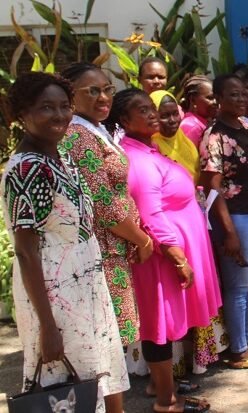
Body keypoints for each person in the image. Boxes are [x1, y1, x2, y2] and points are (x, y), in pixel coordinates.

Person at [3, 72, 130, 413]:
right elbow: (27, 252)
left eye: (64, 106)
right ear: (22, 113)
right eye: (47, 107)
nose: (59, 116)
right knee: (67, 394)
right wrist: (48, 327)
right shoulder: (28, 169)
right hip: (56, 300)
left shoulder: (61, 160)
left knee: (94, 385)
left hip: (85, 289)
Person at [106, 88, 219, 413]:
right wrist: (177, 256)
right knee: (160, 326)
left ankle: (160, 384)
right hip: (161, 258)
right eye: (142, 110)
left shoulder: (148, 148)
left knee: (165, 325)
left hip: (171, 250)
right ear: (125, 120)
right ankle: (166, 402)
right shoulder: (137, 158)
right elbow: (150, 213)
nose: (151, 113)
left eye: (149, 107)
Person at [60, 63, 152, 355]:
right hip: (103, 251)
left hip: (115, 248)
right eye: (93, 91)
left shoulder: (96, 130)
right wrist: (142, 239)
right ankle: (110, 402)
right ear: (71, 96)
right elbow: (104, 206)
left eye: (107, 89)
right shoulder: (79, 137)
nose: (103, 98)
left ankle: (115, 402)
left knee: (115, 340)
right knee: (107, 340)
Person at [198, 74, 248, 368]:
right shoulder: (214, 136)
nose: (241, 99)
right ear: (219, 97)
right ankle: (239, 352)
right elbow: (212, 188)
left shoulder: (247, 128)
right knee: (238, 286)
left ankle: (242, 341)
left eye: (244, 94)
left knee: (247, 282)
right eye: (234, 94)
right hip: (235, 218)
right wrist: (229, 232)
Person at [151, 90, 201, 180]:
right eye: (164, 116)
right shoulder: (153, 146)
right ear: (153, 117)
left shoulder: (184, 140)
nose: (173, 120)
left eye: (175, 113)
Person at [179, 75, 217, 148]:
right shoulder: (191, 126)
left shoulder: (204, 122)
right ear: (193, 100)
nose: (215, 102)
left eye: (216, 98)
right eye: (210, 98)